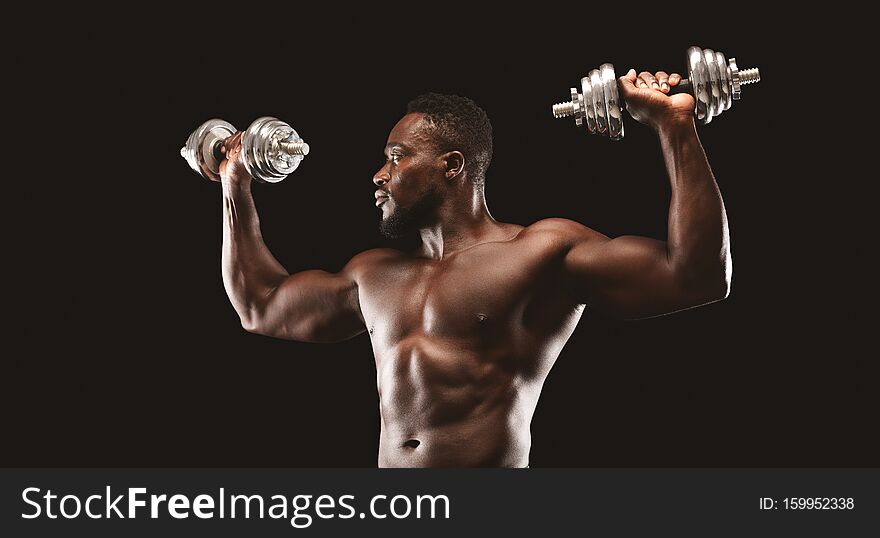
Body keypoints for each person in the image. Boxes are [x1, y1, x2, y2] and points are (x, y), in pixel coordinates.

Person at [215, 69, 731, 467]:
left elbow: (696, 275)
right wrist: (234, 186)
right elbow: (260, 306)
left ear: (452, 165)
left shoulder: (539, 251)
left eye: (396, 158)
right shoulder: (371, 275)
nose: (378, 175)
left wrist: (674, 126)